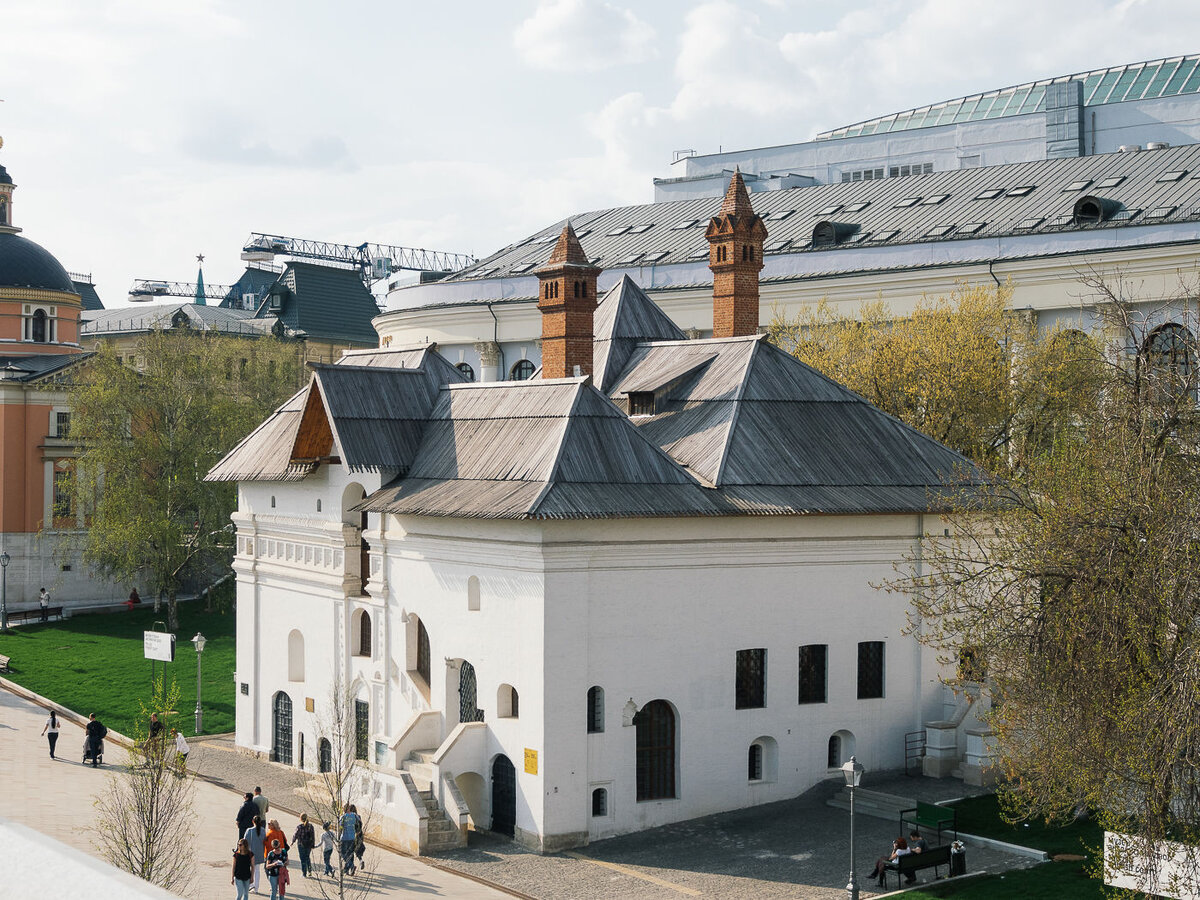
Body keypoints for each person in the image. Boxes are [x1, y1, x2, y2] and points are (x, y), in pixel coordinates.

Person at [242, 815, 266, 894]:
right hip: (259, 853)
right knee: (257, 871)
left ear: (253, 821)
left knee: (250, 869)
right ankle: (256, 887)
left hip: (251, 853)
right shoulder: (263, 830)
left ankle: (250, 885)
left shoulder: (250, 830)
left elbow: (245, 842)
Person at [291, 813, 315, 878]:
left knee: (302, 859)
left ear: (301, 819)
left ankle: (304, 873)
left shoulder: (299, 827)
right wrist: (313, 844)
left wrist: (292, 842)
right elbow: (313, 836)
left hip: (301, 844)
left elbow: (295, 835)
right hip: (308, 845)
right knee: (307, 857)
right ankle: (309, 871)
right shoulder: (311, 826)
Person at [339, 803, 360, 874]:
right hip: (352, 837)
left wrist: (338, 837)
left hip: (344, 838)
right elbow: (359, 822)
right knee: (350, 853)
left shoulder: (343, 817)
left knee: (342, 853)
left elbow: (340, 827)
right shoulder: (354, 815)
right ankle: (348, 869)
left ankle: (351, 865)